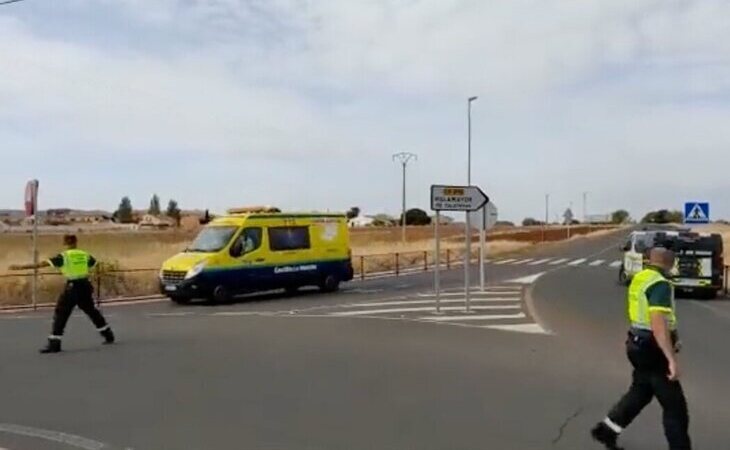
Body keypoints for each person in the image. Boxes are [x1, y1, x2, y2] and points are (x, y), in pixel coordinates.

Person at [591, 247, 691, 450]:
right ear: (671, 263)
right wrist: (671, 358)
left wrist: (674, 336)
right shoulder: (660, 284)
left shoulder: (640, 278)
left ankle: (607, 430)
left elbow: (641, 313)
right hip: (652, 348)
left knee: (641, 392)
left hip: (637, 343)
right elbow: (657, 322)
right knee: (675, 407)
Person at [9, 234, 115, 354]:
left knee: (61, 313)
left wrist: (20, 267)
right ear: (76, 242)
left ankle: (55, 343)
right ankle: (108, 334)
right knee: (91, 311)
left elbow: (42, 264)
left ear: (65, 243)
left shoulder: (64, 256)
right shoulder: (84, 254)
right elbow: (96, 265)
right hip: (85, 285)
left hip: (72, 287)